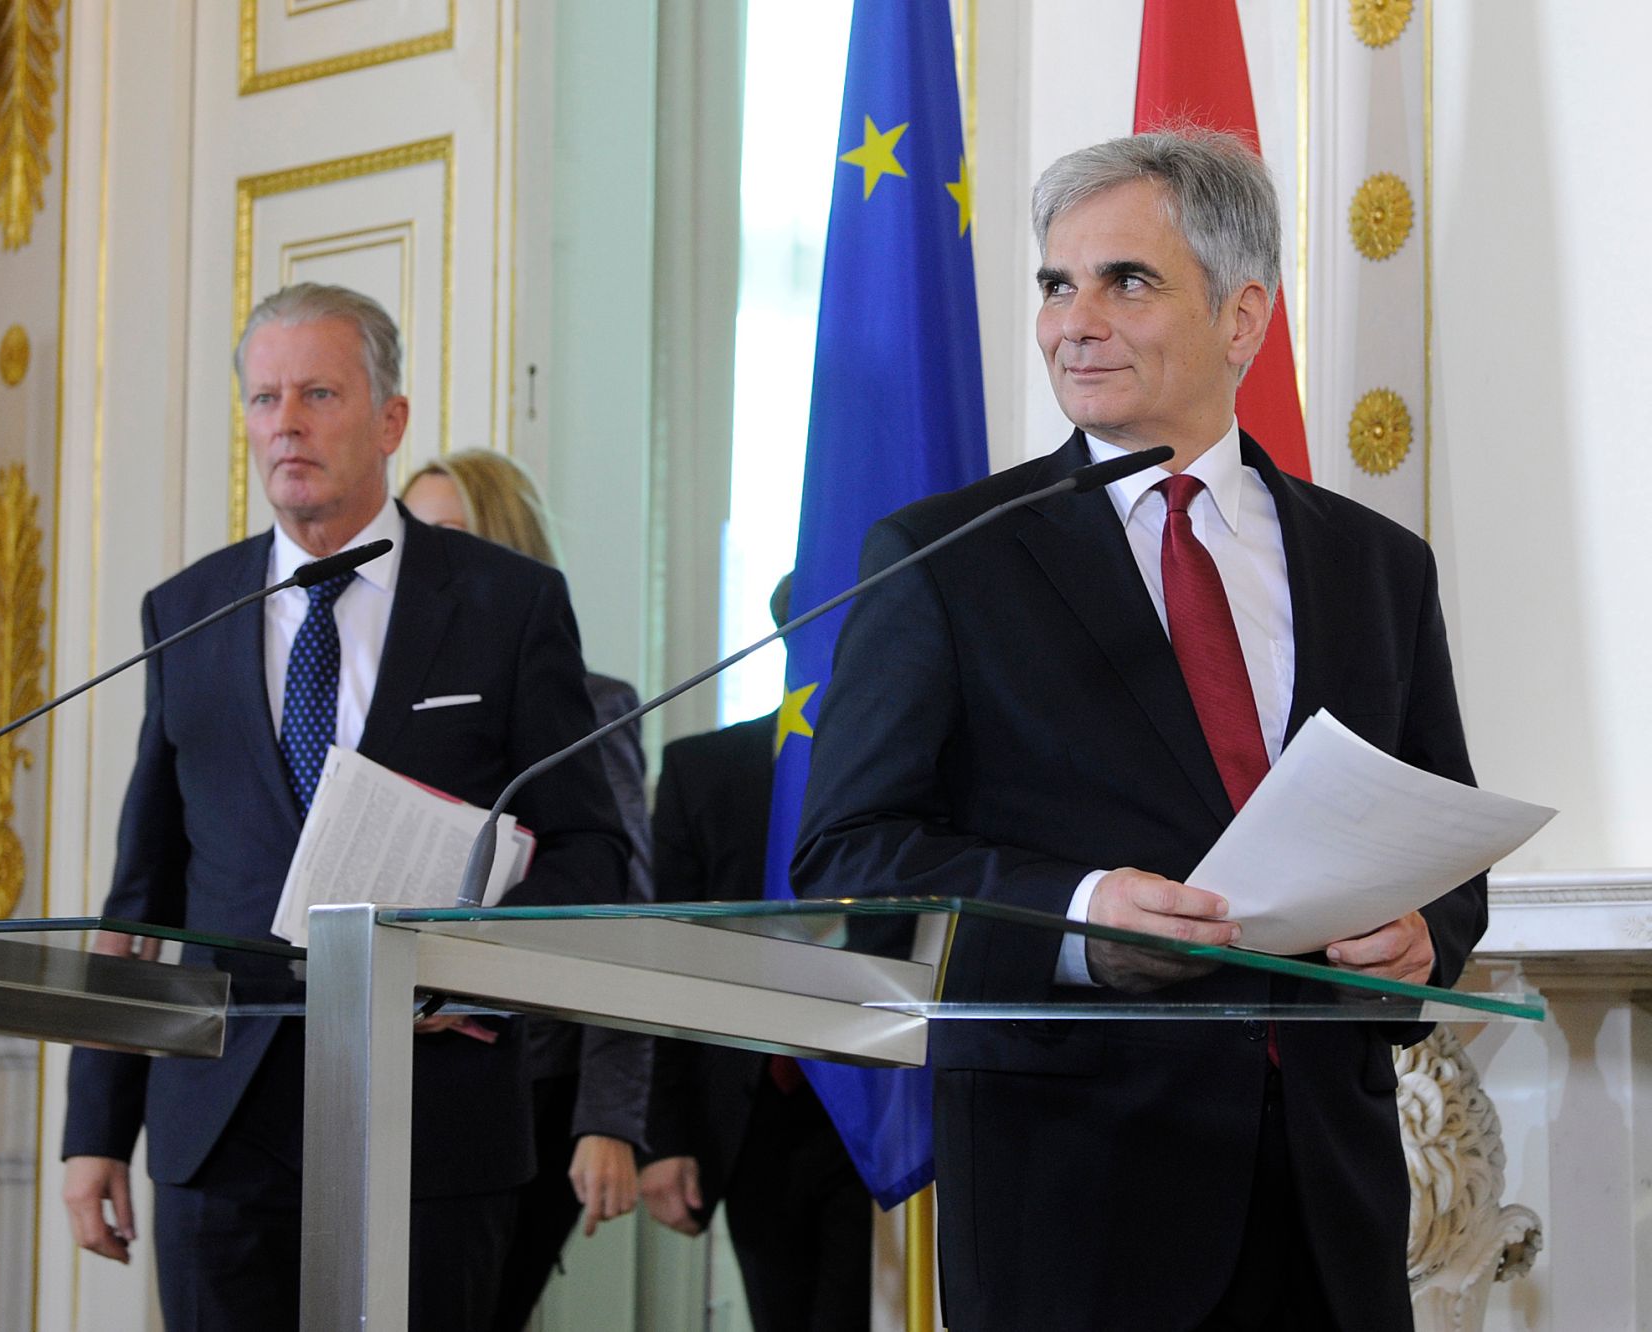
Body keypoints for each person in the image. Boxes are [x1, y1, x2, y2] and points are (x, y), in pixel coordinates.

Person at [791, 129, 1488, 1331]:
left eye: (1125, 281)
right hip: (1074, 1202)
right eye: (1055, 284)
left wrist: (1421, 938)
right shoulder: (947, 558)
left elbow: (1443, 845)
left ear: (1241, 317)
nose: (1074, 322)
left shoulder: (1375, 566)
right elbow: (850, 858)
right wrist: (1077, 920)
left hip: (1327, 1205)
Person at [59, 284, 628, 1331]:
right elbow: (142, 892)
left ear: (389, 418)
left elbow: (591, 854)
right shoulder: (188, 611)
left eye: (318, 394)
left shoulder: (506, 604)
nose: (286, 423)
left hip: (430, 1122)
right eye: (264, 398)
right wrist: (95, 1127)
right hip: (220, 1129)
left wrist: (461, 962)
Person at [400, 450, 650, 1330]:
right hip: (379, 1064)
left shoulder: (589, 703)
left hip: (525, 1079)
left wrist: (609, 1117)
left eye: (449, 536)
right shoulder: (368, 694)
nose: (424, 558)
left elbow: (623, 914)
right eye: (412, 535)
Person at [639, 575, 871, 1332]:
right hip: (752, 1107)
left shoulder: (912, 776)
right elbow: (665, 962)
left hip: (881, 1095)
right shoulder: (704, 772)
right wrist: (663, 1137)